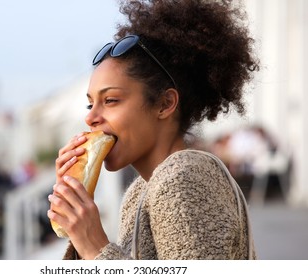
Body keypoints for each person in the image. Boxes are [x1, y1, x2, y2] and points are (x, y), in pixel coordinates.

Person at [48, 0, 259, 260]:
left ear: (165, 104)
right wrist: (77, 219)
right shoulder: (140, 192)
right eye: (90, 103)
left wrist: (94, 246)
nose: (90, 117)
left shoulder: (182, 179)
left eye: (110, 100)